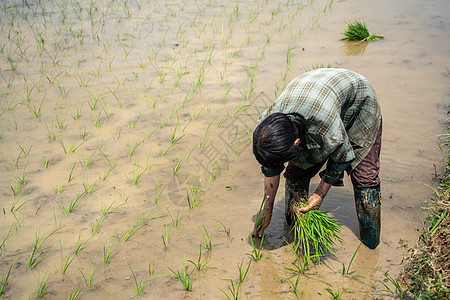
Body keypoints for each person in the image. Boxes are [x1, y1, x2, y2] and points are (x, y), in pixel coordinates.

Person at [252, 68, 382, 250]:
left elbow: (342, 156)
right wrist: (267, 207)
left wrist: (320, 193)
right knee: (296, 174)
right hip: (317, 95)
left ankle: (371, 247)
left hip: (358, 101)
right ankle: (294, 234)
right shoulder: (265, 127)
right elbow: (271, 166)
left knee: (364, 178)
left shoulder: (324, 124)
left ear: (296, 142)